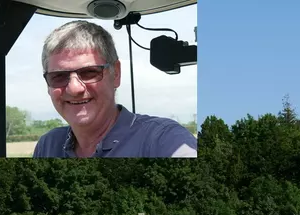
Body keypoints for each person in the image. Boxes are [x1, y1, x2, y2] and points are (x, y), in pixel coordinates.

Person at [32, 20, 197, 158]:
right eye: (59, 76)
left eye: (89, 72)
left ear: (116, 74)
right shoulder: (48, 146)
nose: (74, 88)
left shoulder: (164, 141)